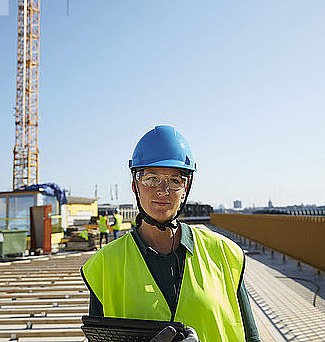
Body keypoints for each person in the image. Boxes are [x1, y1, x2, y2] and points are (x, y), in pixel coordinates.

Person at [81, 125, 260, 342]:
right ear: (134, 185)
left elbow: (251, 337)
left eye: (174, 181)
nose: (162, 190)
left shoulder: (225, 254)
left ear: (185, 189)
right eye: (151, 178)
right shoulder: (104, 266)